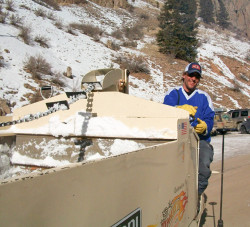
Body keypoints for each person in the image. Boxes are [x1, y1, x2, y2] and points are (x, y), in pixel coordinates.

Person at [163, 62, 215, 196]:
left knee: (203, 168)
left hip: (199, 141)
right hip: (176, 139)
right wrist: (178, 109)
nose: (193, 79)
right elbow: (164, 111)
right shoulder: (173, 93)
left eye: (197, 77)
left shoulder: (204, 97)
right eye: (191, 75)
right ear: (184, 75)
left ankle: (195, 197)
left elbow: (210, 119)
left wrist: (204, 128)